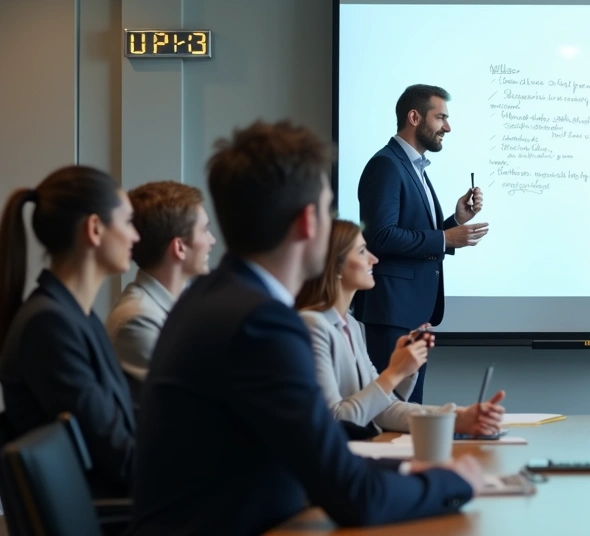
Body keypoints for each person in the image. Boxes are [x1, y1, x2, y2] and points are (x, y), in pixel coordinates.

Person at [130, 122, 482, 536]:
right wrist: (456, 481)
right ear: (307, 222)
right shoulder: (263, 325)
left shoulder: (210, 297)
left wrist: (411, 470)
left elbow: (321, 456)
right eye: (329, 208)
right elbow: (351, 495)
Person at [0, 166, 140, 497]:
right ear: (95, 229)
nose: (136, 236)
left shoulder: (75, 316)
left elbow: (122, 423)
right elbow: (117, 457)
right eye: (128, 222)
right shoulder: (50, 325)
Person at [297, 219, 506, 436]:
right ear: (335, 266)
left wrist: (459, 418)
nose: (374, 259)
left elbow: (383, 408)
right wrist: (395, 371)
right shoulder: (313, 326)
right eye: (362, 252)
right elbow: (336, 423)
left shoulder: (352, 326)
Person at [357, 84, 487, 404]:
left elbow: (412, 232)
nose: (448, 127)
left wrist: (455, 221)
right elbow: (382, 236)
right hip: (391, 314)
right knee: (391, 416)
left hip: (411, 315)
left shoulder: (413, 167)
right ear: (414, 117)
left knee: (409, 413)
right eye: (440, 117)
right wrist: (444, 238)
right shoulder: (386, 165)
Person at [105, 180, 215, 398]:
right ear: (180, 247)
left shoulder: (186, 306)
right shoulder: (137, 320)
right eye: (204, 230)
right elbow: (196, 402)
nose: (212, 240)